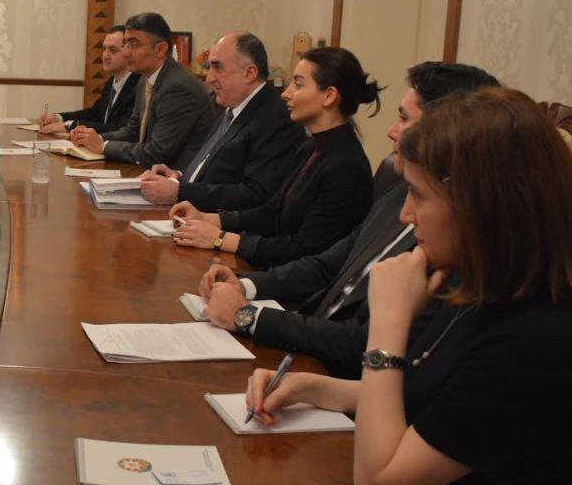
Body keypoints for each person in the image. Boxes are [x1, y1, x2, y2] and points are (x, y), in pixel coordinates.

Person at [245, 88, 572, 485]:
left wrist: (389, 320)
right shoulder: (476, 281)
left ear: (478, 206)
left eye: (418, 194)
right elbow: (425, 397)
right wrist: (311, 388)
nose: (405, 214)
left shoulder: (535, 335)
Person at [197, 62, 499, 377]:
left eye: (404, 118)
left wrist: (248, 316)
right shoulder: (397, 191)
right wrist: (245, 284)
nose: (391, 130)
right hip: (307, 354)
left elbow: (367, 341)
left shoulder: (451, 240)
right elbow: (327, 264)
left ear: (446, 133)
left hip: (342, 373)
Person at [172, 47, 378, 271]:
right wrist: (211, 219)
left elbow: (305, 250)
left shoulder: (346, 166)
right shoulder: (311, 146)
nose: (285, 93)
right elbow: (273, 211)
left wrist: (220, 239)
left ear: (328, 96)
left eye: (298, 84)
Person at [138, 32, 303, 210]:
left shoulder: (275, 119)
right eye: (209, 67)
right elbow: (216, 170)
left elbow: (255, 194)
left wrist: (180, 191)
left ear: (249, 73)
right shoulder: (230, 105)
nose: (209, 78)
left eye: (218, 67)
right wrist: (177, 176)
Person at [70, 12, 215, 169]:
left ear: (160, 49)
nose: (126, 52)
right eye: (125, 44)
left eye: (133, 44)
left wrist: (103, 146)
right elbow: (133, 132)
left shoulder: (178, 87)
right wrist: (95, 138)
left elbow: (157, 153)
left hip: (176, 177)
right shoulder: (145, 79)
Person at [36, 25, 139, 134]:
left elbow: (120, 129)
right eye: (104, 49)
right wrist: (58, 117)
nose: (105, 56)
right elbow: (94, 114)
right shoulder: (111, 82)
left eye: (113, 50)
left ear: (128, 51)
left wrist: (70, 126)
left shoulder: (138, 85)